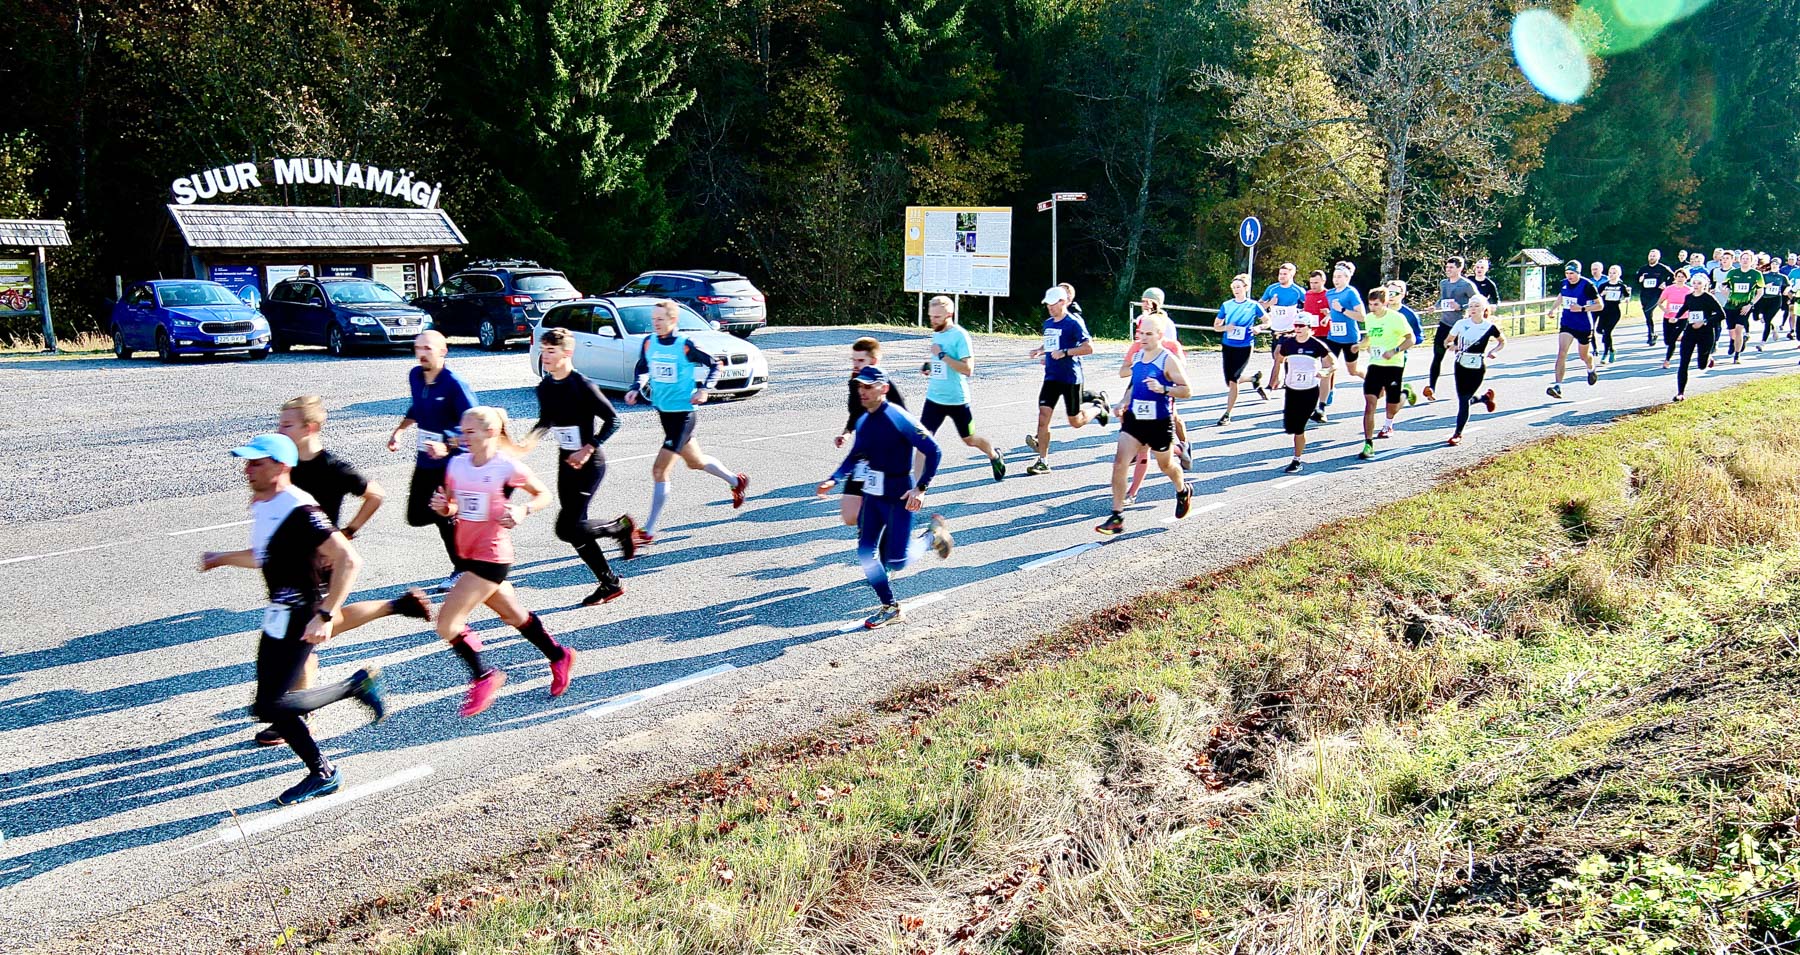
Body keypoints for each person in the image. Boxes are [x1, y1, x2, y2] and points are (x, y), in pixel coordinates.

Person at [200, 433, 388, 805]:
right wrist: (221, 558)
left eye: (256, 462)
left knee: (269, 705)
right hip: (278, 613)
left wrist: (326, 612)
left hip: (301, 613)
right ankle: (323, 772)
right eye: (247, 461)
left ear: (281, 466)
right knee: (270, 703)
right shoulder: (265, 503)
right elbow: (263, 555)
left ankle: (353, 691)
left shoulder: (300, 509)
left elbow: (349, 560)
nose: (247, 469)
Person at [259, 396, 428, 748]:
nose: (280, 430)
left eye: (287, 425)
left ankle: (299, 712)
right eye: (280, 423)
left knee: (306, 636)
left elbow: (376, 495)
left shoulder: (333, 468)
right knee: (310, 635)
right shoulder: (287, 465)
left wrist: (348, 534)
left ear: (311, 428)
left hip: (320, 565)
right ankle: (393, 607)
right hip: (293, 563)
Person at [429, 407, 575, 717]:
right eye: (462, 431)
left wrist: (523, 510)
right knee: (515, 615)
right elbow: (453, 506)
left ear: (491, 433)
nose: (462, 437)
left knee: (447, 623)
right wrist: (444, 507)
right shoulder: (456, 465)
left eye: (469, 432)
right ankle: (559, 655)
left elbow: (543, 493)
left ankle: (484, 676)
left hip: (492, 557)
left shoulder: (506, 467)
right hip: (467, 554)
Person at [816, 366, 951, 630]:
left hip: (899, 495)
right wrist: (835, 477)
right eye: (860, 387)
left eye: (868, 387)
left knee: (897, 562)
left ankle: (931, 537)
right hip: (872, 495)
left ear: (884, 388)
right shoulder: (864, 421)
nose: (862, 392)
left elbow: (933, 451)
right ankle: (890, 607)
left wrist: (921, 488)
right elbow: (856, 455)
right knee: (866, 552)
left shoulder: (898, 417)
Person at [624, 299, 751, 545]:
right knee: (696, 462)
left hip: (684, 415)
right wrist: (636, 388)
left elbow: (715, 364)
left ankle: (648, 531)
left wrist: (705, 389)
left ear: (673, 321)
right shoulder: (649, 342)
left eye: (661, 320)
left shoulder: (685, 345)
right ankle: (736, 481)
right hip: (664, 414)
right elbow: (643, 368)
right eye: (654, 320)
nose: (656, 324)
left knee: (659, 470)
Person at [530, 327, 636, 607]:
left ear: (567, 352)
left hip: (589, 464)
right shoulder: (545, 387)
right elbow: (546, 421)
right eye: (543, 350)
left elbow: (614, 420)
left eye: (551, 351)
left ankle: (619, 527)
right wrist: (522, 443)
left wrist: (588, 447)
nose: (545, 357)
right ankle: (609, 583)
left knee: (567, 528)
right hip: (566, 464)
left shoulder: (583, 385)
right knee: (575, 530)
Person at [386, 331, 478, 592]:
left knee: (441, 513)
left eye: (427, 348)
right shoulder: (415, 376)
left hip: (450, 463)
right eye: (418, 348)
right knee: (415, 515)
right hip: (425, 460)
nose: (421, 353)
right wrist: (399, 431)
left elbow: (475, 423)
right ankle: (461, 517)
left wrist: (446, 443)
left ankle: (463, 567)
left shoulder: (454, 383)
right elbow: (417, 407)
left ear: (443, 351)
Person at [1096, 320, 1194, 535]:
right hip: (1135, 420)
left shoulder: (1169, 360)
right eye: (1141, 333)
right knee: (1120, 463)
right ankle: (1117, 516)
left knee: (1166, 466)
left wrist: (1163, 388)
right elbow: (1134, 386)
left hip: (1159, 422)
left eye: (1149, 334)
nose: (1143, 337)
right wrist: (1123, 402)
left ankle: (1182, 489)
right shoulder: (1138, 356)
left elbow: (1187, 390)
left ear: (1160, 335)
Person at [915, 300, 1007, 485]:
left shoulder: (960, 336)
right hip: (934, 399)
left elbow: (968, 369)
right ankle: (915, 489)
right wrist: (930, 366)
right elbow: (941, 363)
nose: (933, 321)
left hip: (957, 400)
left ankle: (994, 455)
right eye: (931, 316)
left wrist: (942, 355)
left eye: (937, 317)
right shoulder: (937, 333)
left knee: (970, 439)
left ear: (949, 315)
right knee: (922, 443)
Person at [1025, 286, 1108, 474]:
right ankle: (1043, 461)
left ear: (1063, 302)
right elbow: (1051, 343)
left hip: (1071, 378)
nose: (1049, 308)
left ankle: (1098, 408)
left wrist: (1065, 353)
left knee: (1076, 421)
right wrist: (1041, 350)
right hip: (1051, 378)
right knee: (1043, 417)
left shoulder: (1073, 323)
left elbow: (1089, 348)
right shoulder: (1048, 323)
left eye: (1053, 304)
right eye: (1047, 305)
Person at [835, 337, 910, 526]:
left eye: (860, 361)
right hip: (863, 457)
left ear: (874, 362)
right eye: (853, 360)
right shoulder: (854, 383)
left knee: (887, 516)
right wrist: (846, 433)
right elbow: (855, 415)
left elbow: (905, 421)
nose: (855, 365)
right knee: (850, 516)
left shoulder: (885, 387)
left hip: (888, 460)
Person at [1355, 287, 1414, 460]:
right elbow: (1369, 338)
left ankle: (1405, 393)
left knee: (1392, 407)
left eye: (1376, 304)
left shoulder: (1397, 318)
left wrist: (1394, 350)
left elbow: (1411, 339)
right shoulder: (1370, 318)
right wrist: (1360, 345)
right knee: (1370, 403)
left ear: (1385, 303)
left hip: (1394, 365)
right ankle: (1368, 444)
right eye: (1370, 304)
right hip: (1375, 365)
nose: (1372, 308)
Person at [1269, 315, 1333, 473]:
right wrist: (1274, 379)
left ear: (1309, 327)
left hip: (1310, 390)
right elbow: (1279, 361)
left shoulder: (1316, 345)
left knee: (1298, 427)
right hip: (1292, 390)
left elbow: (1334, 363)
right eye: (1296, 325)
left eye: (1301, 325)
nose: (1297, 328)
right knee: (1290, 426)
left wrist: (1326, 371)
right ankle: (1313, 415)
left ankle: (1296, 460)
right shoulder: (1288, 344)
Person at [1445, 295, 1503, 446]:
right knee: (1463, 400)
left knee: (1466, 399)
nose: (1473, 309)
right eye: (1470, 306)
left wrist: (1494, 351)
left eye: (1476, 306)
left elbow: (1502, 341)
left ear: (1484, 308)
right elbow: (1447, 340)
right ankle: (1457, 434)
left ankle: (1484, 398)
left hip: (1478, 366)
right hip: (1460, 365)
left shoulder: (1489, 326)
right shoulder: (1461, 323)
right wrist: (1452, 345)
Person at [1212, 273, 1268, 426]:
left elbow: (1267, 321)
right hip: (1228, 345)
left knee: (1234, 379)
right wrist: (1226, 327)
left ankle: (1227, 414)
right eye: (1233, 287)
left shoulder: (1253, 305)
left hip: (1244, 346)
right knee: (1230, 381)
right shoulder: (1227, 305)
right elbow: (1216, 326)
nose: (1236, 290)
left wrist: (1259, 327)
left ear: (1245, 288)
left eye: (1238, 287)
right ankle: (1253, 379)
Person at [1423, 257, 1478, 402]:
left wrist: (1461, 306)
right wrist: (1434, 307)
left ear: (1460, 269)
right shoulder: (1444, 283)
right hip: (1445, 324)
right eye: (1447, 267)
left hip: (1460, 326)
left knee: (1462, 360)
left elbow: (1477, 301)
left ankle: (1467, 389)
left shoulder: (1466, 285)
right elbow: (1442, 299)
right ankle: (1431, 389)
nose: (1448, 270)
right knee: (1437, 357)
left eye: (1451, 268)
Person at [1546, 260, 1600, 399]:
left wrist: (1582, 308)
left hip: (1583, 325)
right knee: (1562, 352)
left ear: (1578, 273)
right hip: (1567, 323)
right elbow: (1561, 296)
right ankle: (1558, 386)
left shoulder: (1587, 285)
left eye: (1572, 273)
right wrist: (1553, 309)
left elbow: (1600, 305)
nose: (1569, 276)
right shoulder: (1564, 283)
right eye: (1567, 273)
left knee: (1583, 356)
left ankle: (1590, 368)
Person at [1672, 274, 1726, 401]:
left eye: (1699, 284)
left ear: (1704, 285)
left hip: (1706, 332)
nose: (1696, 286)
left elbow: (1721, 315)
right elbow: (1685, 307)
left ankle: (1708, 358)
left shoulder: (1708, 298)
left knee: (1701, 365)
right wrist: (1677, 317)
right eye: (1694, 283)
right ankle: (1680, 393)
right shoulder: (1689, 297)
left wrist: (1704, 322)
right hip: (1690, 331)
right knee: (1684, 361)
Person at [1259, 262, 1307, 387]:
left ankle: (1272, 385)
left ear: (1292, 275)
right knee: (1277, 357)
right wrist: (1270, 303)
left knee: (1278, 355)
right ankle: (1286, 378)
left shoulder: (1297, 291)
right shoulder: (1272, 289)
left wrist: (1302, 313)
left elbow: (1309, 304)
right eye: (1280, 274)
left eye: (1285, 274)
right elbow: (1259, 306)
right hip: (1275, 328)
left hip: (1290, 330)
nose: (1281, 276)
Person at [1324, 262, 1366, 393]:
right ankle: (1326, 396)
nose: (1336, 280)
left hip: (1350, 338)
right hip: (1333, 337)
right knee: (1327, 367)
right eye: (1334, 277)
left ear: (1347, 278)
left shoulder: (1351, 293)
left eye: (1340, 277)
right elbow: (1334, 311)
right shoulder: (1329, 293)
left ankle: (1374, 380)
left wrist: (1342, 309)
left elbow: (1362, 316)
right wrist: (1328, 316)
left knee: (1353, 371)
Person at [1303, 269, 1334, 422]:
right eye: (1311, 283)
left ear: (1323, 281)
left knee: (1326, 368)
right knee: (1308, 369)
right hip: (1310, 336)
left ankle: (1322, 406)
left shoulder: (1329, 295)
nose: (1313, 286)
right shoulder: (1307, 295)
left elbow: (1335, 313)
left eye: (1316, 283)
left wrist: (1328, 314)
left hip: (1326, 336)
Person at [1722, 254, 1764, 363]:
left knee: (1739, 329)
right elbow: (1724, 285)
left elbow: (1760, 292)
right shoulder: (1732, 273)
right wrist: (1725, 291)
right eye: (1743, 259)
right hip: (1730, 305)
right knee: (1732, 331)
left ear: (1751, 261)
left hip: (1745, 306)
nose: (1745, 261)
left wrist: (1750, 304)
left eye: (1747, 259)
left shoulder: (1756, 274)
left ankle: (1737, 355)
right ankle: (1734, 341)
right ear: (1739, 261)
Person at [1652, 270, 1693, 369]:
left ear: (1686, 278)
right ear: (1675, 278)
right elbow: (1660, 302)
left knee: (1672, 341)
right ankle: (1682, 337)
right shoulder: (1669, 289)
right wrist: (1665, 310)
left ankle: (1667, 360)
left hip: (1682, 318)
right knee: (1667, 340)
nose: (1680, 279)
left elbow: (1692, 305)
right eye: (1678, 276)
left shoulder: (1689, 290)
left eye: (1682, 277)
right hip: (1668, 317)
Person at [1635, 250, 1676, 346]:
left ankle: (1651, 334)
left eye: (1654, 256)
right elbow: (1636, 280)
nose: (1652, 257)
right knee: (1647, 315)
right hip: (1645, 294)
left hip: (1657, 294)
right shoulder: (1643, 269)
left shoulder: (1662, 268)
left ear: (1658, 257)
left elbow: (1674, 276)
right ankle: (1652, 334)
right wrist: (1639, 279)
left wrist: (1666, 284)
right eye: (1650, 256)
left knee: (1648, 311)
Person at [1595, 264, 1630, 365]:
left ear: (1619, 274)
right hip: (1604, 311)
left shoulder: (1621, 286)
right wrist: (1602, 294)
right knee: (1599, 330)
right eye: (1610, 273)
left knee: (1607, 331)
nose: (1611, 275)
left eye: (1614, 273)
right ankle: (1612, 349)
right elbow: (1596, 296)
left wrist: (1626, 299)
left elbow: (1627, 296)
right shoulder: (1604, 285)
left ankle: (1606, 354)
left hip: (1615, 311)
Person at [1759, 255, 1789, 350]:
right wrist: (1765, 287)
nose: (1774, 265)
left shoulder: (1782, 277)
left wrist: (1786, 290)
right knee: (1764, 319)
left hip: (1776, 300)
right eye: (1773, 263)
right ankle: (1774, 327)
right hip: (1764, 299)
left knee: (1767, 320)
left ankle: (1762, 343)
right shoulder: (1764, 275)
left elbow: (1788, 285)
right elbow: (1758, 286)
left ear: (1779, 266)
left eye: (1776, 264)